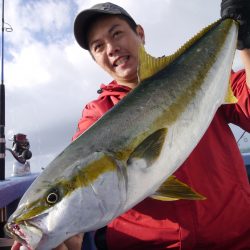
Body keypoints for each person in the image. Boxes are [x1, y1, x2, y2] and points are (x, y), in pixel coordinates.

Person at [12, 1, 250, 250]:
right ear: (95, 60)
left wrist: (245, 44)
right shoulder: (97, 114)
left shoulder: (197, 70)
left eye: (116, 34)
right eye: (98, 46)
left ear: (140, 33)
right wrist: (68, 234)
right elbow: (81, 180)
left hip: (236, 239)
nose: (111, 48)